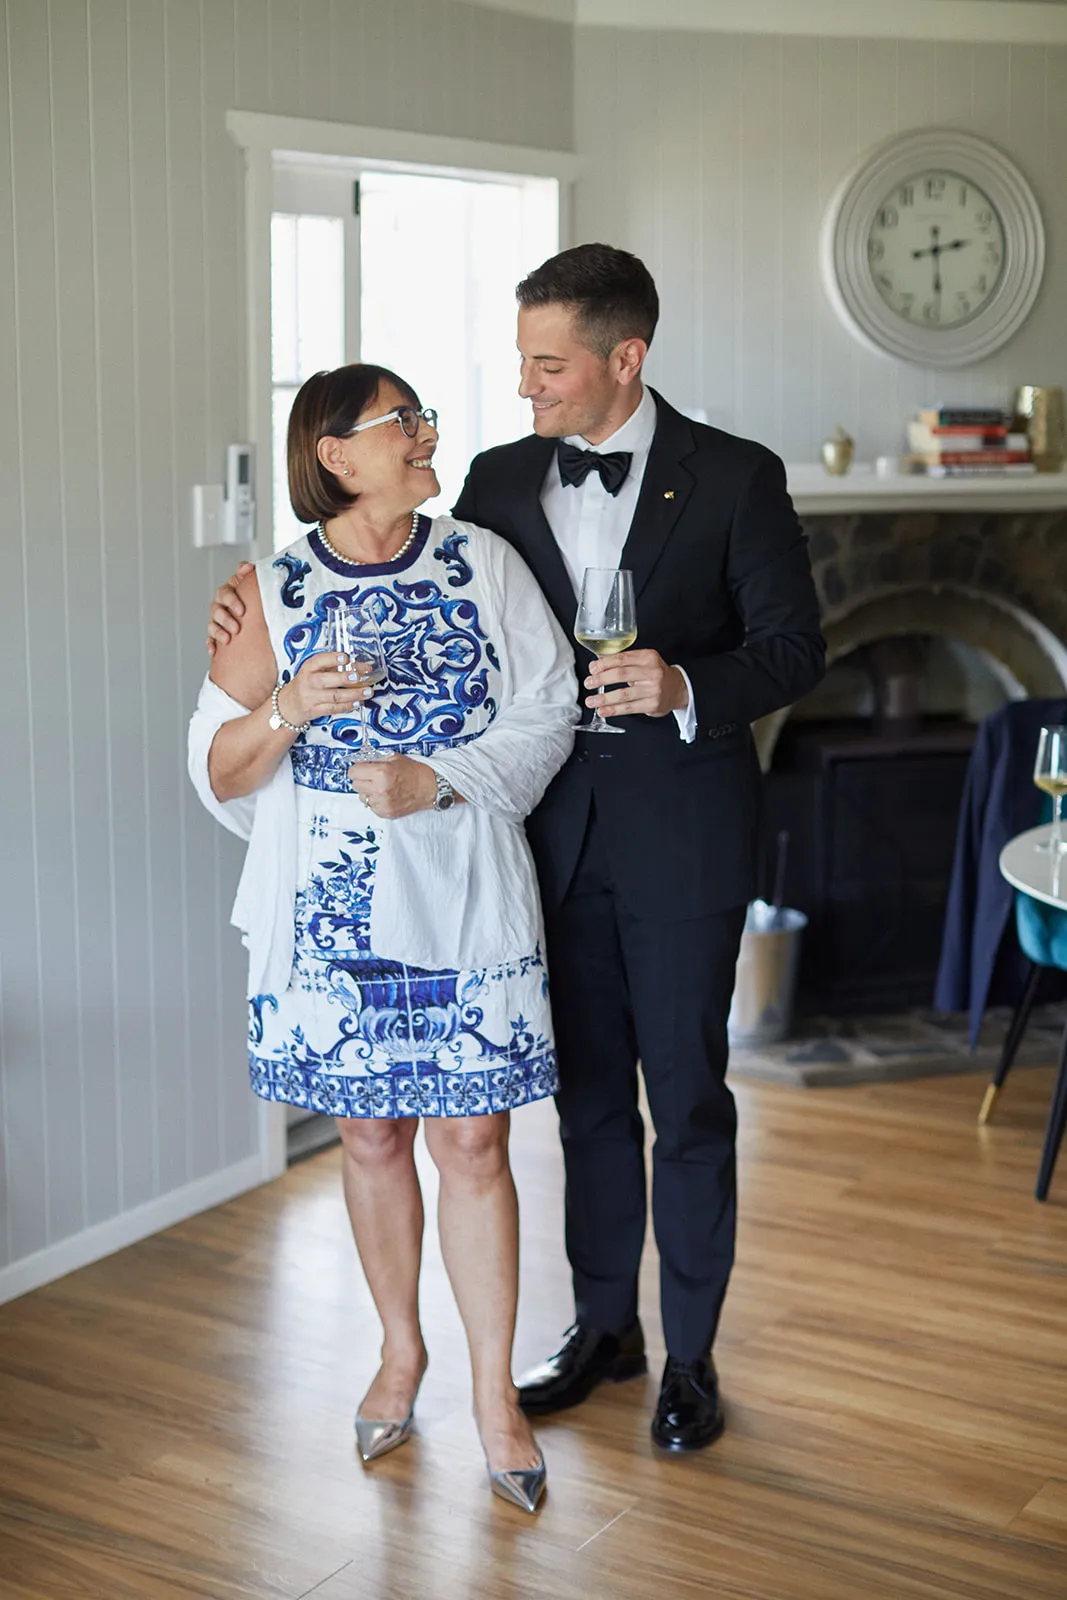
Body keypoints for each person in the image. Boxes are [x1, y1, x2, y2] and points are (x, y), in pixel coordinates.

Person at [209, 245, 825, 1454]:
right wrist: (251, 633)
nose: (526, 388)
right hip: (534, 840)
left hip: (683, 830)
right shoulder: (492, 479)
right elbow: (418, 591)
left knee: (687, 1099)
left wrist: (686, 678)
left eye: (547, 366)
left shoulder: (738, 478)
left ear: (623, 358)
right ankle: (605, 1329)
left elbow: (796, 648)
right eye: (523, 363)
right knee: (586, 1098)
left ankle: (688, 1359)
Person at [190, 363, 578, 1513]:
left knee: (472, 1145)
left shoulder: (483, 563)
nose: (424, 435)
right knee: (366, 1137)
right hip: (331, 912)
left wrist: (440, 777)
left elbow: (547, 704)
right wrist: (288, 710)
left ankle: (493, 1395)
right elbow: (216, 766)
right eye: (398, 422)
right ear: (333, 455)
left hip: (461, 891)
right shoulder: (269, 588)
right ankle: (398, 1351)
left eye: (422, 418)